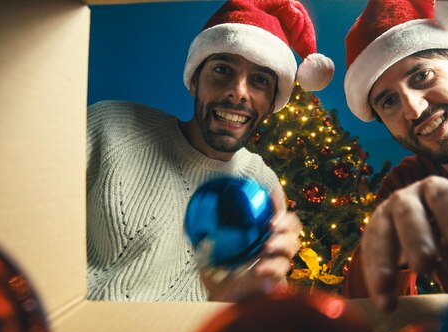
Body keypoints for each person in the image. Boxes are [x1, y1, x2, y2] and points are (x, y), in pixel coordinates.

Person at [86, 0, 334, 302]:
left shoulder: (263, 188)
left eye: (259, 80)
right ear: (194, 80)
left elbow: (253, 306)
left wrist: (260, 288)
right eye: (222, 69)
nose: (238, 91)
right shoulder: (109, 127)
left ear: (271, 104)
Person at [342, 0, 448, 311]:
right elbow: (364, 314)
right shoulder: (406, 186)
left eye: (421, 76)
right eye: (388, 101)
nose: (413, 109)